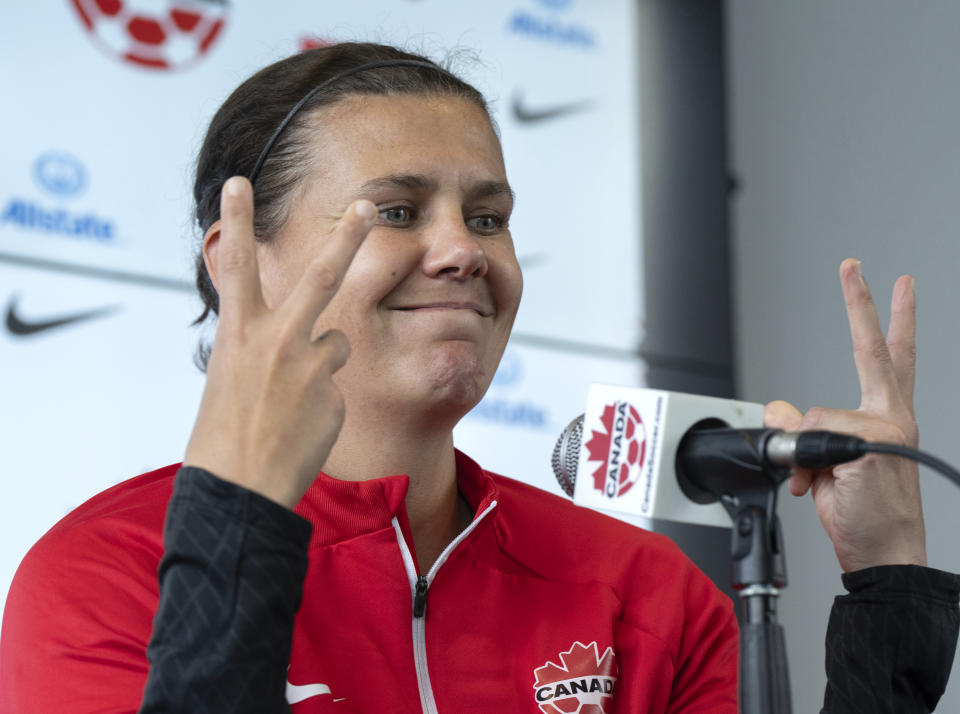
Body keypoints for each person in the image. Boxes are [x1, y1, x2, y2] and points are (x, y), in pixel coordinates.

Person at [0, 42, 956, 714]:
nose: (462, 250)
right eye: (398, 210)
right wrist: (239, 516)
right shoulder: (101, 577)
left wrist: (889, 585)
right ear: (241, 261)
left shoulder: (643, 595)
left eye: (489, 217)